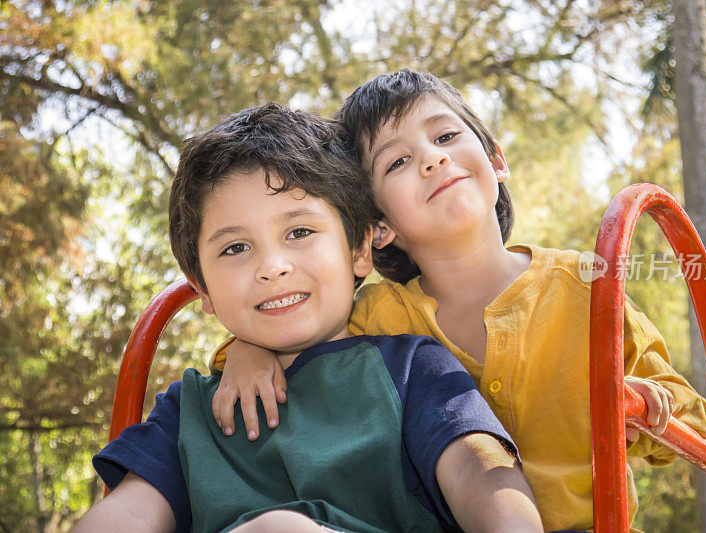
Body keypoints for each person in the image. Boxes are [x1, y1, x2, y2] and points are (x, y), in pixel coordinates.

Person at [211, 70, 706, 532]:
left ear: (495, 160)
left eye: (446, 136)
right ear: (378, 228)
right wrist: (244, 352)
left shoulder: (586, 287)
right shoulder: (378, 317)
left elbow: (695, 415)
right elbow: (299, 342)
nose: (434, 158)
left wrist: (652, 404)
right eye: (399, 162)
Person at [73, 103, 545, 533]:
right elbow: (130, 511)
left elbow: (476, 470)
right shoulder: (188, 411)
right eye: (236, 248)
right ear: (202, 287)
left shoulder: (410, 367)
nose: (272, 266)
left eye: (299, 231)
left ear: (360, 248)